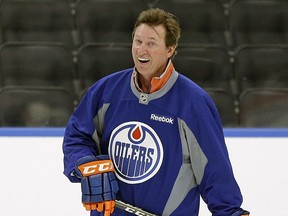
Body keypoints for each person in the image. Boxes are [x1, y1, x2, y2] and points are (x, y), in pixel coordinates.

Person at [63, 8, 250, 216]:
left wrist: (230, 212)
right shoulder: (106, 91)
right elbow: (77, 136)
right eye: (138, 41)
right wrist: (87, 165)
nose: (141, 50)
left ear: (170, 49)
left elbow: (214, 170)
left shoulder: (193, 103)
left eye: (151, 43)